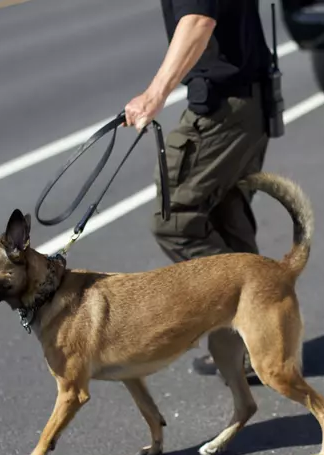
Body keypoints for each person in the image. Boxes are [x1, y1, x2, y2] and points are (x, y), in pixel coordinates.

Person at [124, 0, 275, 378]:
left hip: (226, 108)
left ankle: (255, 331)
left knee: (176, 221)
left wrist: (154, 94)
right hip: (248, 101)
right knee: (226, 219)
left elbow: (198, 20)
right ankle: (257, 345)